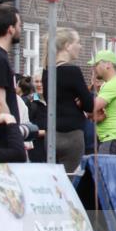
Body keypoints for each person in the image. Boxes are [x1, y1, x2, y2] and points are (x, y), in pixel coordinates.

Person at [43, 28, 95, 175]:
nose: (80, 46)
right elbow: (89, 105)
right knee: (71, 179)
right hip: (72, 135)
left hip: (51, 134)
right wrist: (80, 102)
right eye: (77, 42)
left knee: (53, 179)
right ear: (67, 45)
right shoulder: (73, 71)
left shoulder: (47, 71)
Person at [0, 3, 27, 163]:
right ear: (10, 29)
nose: (20, 29)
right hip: (2, 141)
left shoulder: (0, 57)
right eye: (19, 25)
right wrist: (12, 136)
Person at [91, 50, 116, 154]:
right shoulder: (112, 83)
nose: (94, 68)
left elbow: (91, 107)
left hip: (113, 138)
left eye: (96, 64)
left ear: (108, 64)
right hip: (113, 137)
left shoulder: (113, 84)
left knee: (107, 166)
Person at [28, 70, 47, 162]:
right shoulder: (30, 103)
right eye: (36, 81)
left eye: (42, 81)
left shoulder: (55, 102)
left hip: (54, 149)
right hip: (36, 149)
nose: (39, 84)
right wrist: (48, 133)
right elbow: (26, 127)